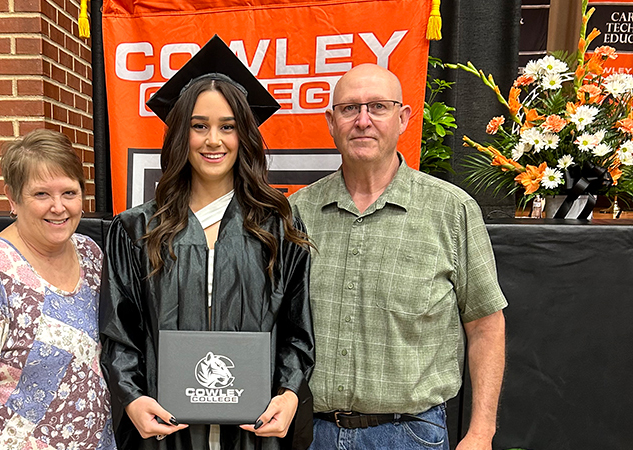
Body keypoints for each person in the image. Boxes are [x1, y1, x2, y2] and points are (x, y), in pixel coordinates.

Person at [100, 35, 315, 450]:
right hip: (166, 432)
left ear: (243, 135)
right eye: (200, 126)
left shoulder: (276, 225)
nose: (213, 140)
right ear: (182, 133)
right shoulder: (137, 228)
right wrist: (131, 398)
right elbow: (119, 331)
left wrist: (289, 395)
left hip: (254, 433)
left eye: (227, 127)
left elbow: (297, 327)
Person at [289, 63, 507, 450]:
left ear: (404, 118)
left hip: (409, 435)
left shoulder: (451, 211)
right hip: (310, 434)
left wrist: (481, 432)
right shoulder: (297, 212)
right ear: (330, 121)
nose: (363, 120)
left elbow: (485, 326)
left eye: (378, 107)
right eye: (349, 109)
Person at [0, 129, 116, 450]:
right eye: (41, 195)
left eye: (69, 193)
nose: (59, 207)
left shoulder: (90, 254)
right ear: (13, 197)